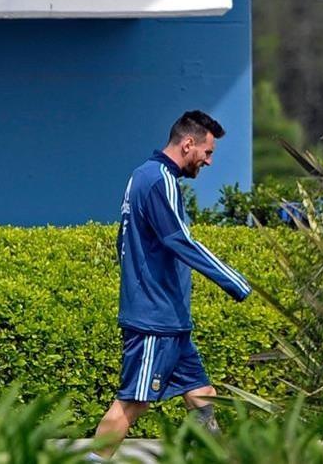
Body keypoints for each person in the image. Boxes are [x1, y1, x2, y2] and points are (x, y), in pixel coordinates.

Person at [88, 110, 252, 461]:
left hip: (170, 321)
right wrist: (234, 281)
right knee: (132, 403)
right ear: (188, 143)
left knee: (202, 395)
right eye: (207, 153)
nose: (208, 162)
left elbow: (124, 242)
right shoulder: (158, 179)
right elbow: (180, 240)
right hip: (154, 320)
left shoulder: (142, 177)